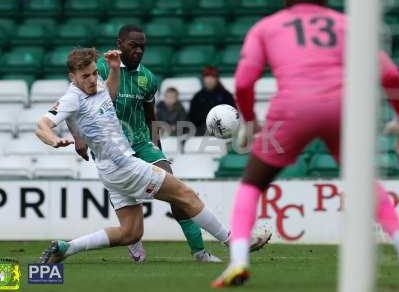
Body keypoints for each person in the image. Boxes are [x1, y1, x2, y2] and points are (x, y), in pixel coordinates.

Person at [212, 0, 399, 288]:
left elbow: (245, 81)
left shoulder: (267, 27)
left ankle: (238, 261)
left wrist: (250, 121)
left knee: (252, 184)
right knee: (365, 181)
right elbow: (391, 75)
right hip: (342, 106)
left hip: (292, 108)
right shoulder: (346, 23)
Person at [35, 48, 270, 264]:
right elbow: (42, 125)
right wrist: (54, 139)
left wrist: (115, 69)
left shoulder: (97, 86)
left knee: (130, 232)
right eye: (85, 76)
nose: (91, 79)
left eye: (94, 73)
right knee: (185, 194)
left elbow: (111, 93)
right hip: (123, 165)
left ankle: (66, 248)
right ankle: (235, 243)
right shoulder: (72, 97)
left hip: (111, 172)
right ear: (72, 77)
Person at [72, 25, 220, 263]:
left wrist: (157, 148)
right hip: (110, 146)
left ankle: (199, 251)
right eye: (133, 45)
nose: (139, 50)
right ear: (119, 43)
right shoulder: (98, 70)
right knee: (123, 190)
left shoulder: (148, 79)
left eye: (143, 46)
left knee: (174, 186)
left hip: (140, 141)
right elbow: (75, 103)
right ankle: (133, 236)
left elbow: (151, 117)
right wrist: (78, 138)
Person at [188, 66, 236, 136]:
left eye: (212, 77)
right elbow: (193, 117)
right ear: (203, 79)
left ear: (217, 79)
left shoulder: (226, 95)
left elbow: (232, 114)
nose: (210, 80)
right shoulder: (197, 97)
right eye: (207, 77)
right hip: (202, 130)